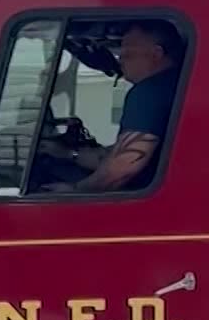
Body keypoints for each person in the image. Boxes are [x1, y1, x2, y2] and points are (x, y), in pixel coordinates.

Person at [39, 20, 183, 192]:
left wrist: (75, 190)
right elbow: (117, 155)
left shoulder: (150, 92)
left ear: (156, 53)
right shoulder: (175, 85)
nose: (120, 57)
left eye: (128, 50)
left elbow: (126, 162)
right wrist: (67, 153)